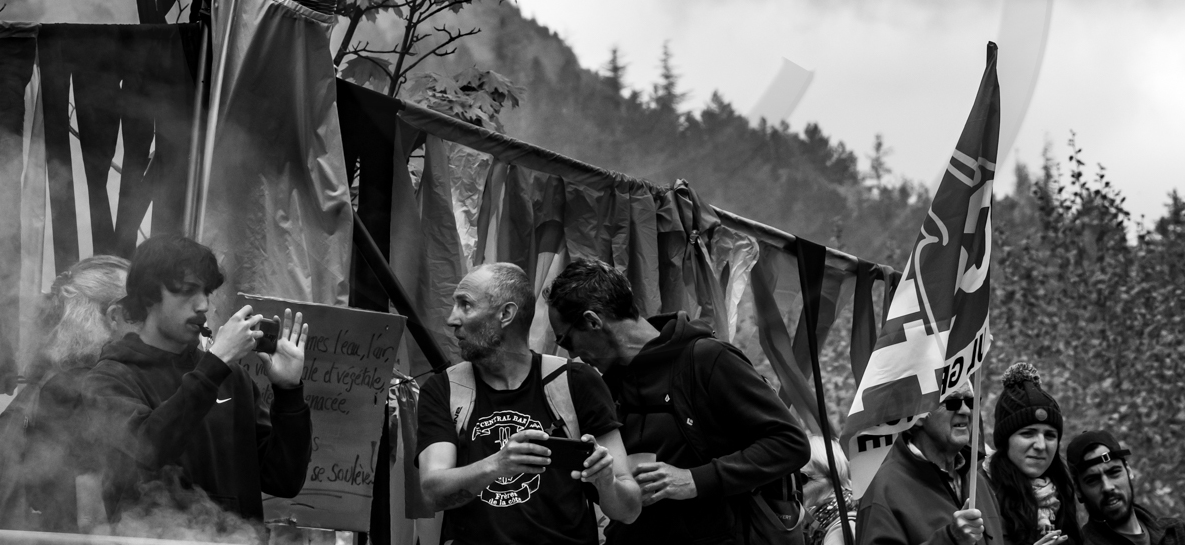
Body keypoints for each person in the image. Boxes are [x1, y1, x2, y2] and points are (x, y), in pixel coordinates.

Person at [544, 257, 810, 545]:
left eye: (567, 341)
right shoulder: (605, 386)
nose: (572, 355)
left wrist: (695, 480)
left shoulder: (707, 359)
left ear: (592, 321)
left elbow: (789, 443)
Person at [86, 233, 311, 523]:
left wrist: (289, 392)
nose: (203, 305)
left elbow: (283, 480)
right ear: (149, 295)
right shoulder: (110, 378)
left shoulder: (231, 377)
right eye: (188, 291)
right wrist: (214, 365)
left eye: (206, 292)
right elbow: (147, 451)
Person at [416, 261, 641, 544]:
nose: (452, 319)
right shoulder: (445, 388)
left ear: (506, 314)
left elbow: (629, 511)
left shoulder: (576, 381)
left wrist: (606, 481)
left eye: (465, 305)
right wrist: (498, 464)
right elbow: (432, 493)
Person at [0, 255, 133, 532]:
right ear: (112, 317)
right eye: (137, 314)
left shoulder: (47, 379)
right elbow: (89, 513)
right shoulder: (79, 387)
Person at [856, 383, 1005, 545]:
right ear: (918, 415)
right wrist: (950, 539)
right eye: (952, 402)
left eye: (970, 402)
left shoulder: (979, 483)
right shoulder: (884, 489)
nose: (965, 411)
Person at [984, 362, 1079, 545]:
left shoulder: (1061, 492)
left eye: (1050, 435)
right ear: (1005, 441)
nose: (1041, 445)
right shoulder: (980, 493)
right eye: (1028, 433)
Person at [1067, 430, 1185, 545]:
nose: (1107, 487)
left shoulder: (1177, 533)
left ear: (1128, 471)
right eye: (1093, 480)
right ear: (1078, 490)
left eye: (1114, 472)